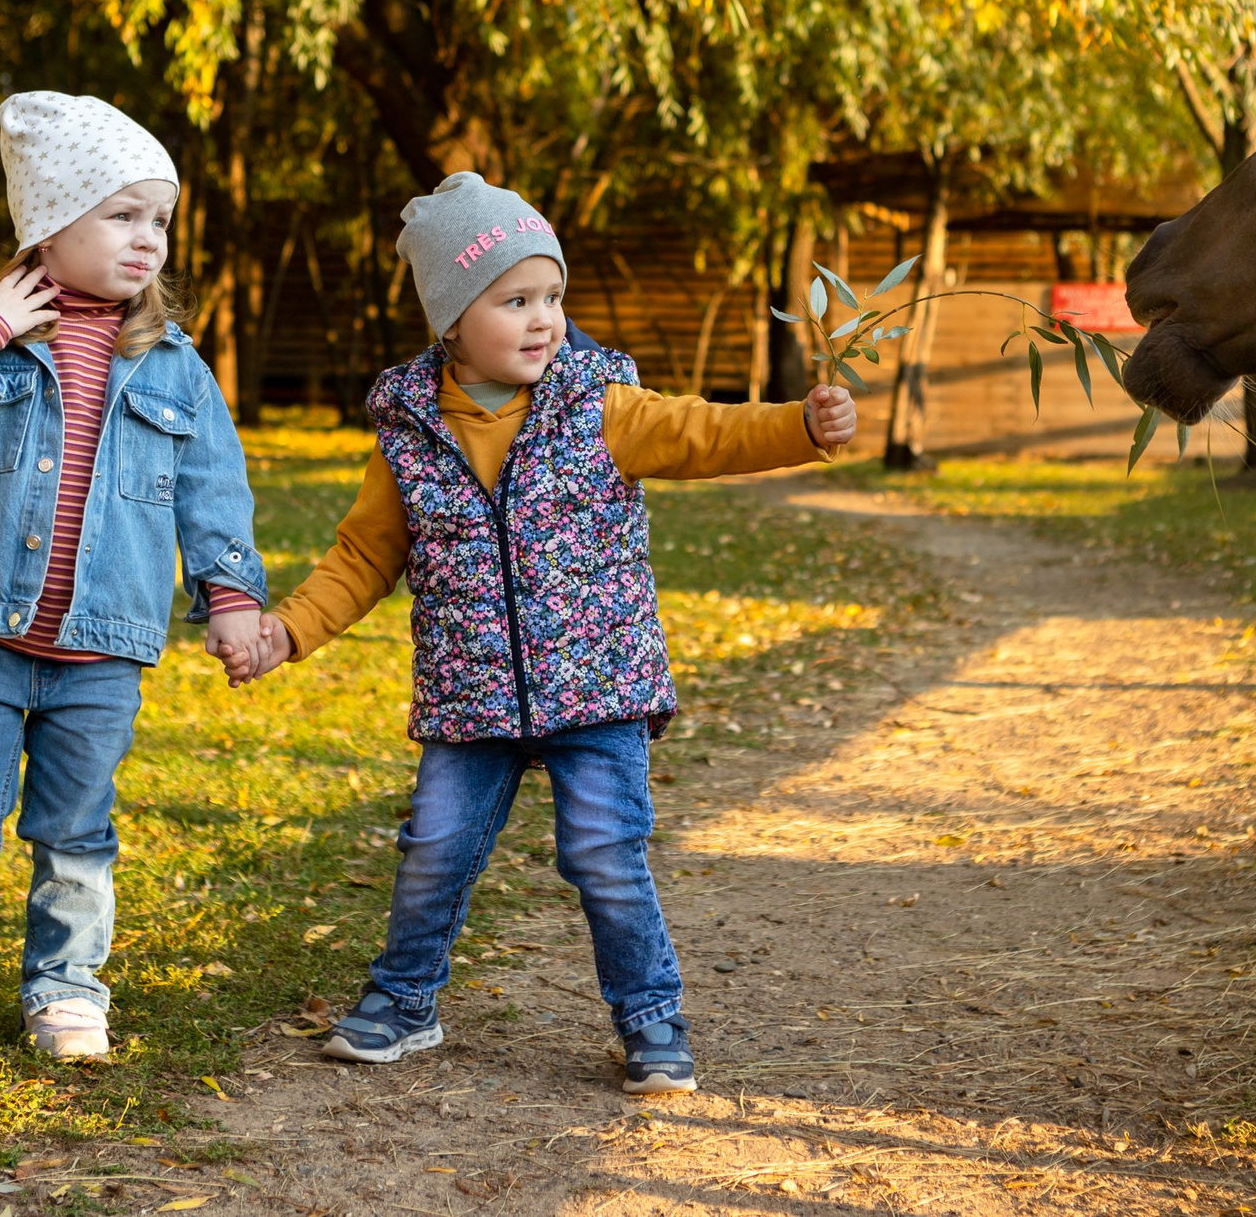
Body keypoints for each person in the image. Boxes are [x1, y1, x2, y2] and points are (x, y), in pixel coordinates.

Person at [217, 171, 856, 1094]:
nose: (544, 318)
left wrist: (800, 424)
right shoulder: (411, 431)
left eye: (552, 295)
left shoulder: (598, 405)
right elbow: (362, 556)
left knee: (604, 853)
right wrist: (285, 631)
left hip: (597, 687)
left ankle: (649, 1018)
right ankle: (405, 1000)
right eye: (515, 299)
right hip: (470, 694)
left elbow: (704, 433)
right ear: (450, 319)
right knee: (434, 846)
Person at [0, 92, 267, 1069]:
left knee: (79, 833)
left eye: (158, 220)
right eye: (120, 215)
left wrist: (233, 597)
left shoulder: (173, 367)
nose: (146, 240)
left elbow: (214, 492)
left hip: (102, 646)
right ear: (48, 224)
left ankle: (66, 988)